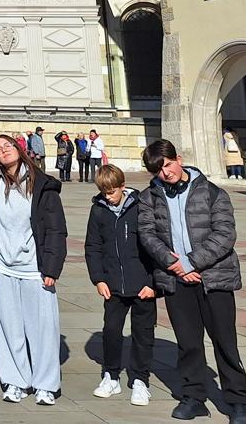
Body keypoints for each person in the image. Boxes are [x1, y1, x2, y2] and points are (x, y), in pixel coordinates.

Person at [139, 140, 246, 424]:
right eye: (157, 170)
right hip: (176, 280)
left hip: (213, 278)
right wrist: (174, 265)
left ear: (178, 159)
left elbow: (225, 234)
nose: (165, 173)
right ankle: (193, 397)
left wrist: (190, 263)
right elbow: (147, 234)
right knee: (188, 343)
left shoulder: (213, 193)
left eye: (168, 165)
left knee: (225, 342)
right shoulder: (149, 197)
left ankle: (238, 401)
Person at [0, 133, 66, 406]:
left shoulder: (42, 184)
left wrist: (51, 268)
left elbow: (56, 229)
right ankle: (15, 381)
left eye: (8, 146)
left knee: (42, 330)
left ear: (19, 149)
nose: (3, 150)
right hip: (1, 266)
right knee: (8, 328)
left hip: (33, 269)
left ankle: (45, 385)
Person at [85, 162, 155, 406]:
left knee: (142, 333)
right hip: (113, 284)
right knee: (112, 331)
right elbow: (93, 246)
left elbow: (154, 245)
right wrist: (98, 278)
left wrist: (152, 282)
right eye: (104, 192)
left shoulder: (141, 206)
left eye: (112, 192)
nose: (108, 197)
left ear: (122, 186)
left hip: (142, 284)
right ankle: (111, 375)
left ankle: (140, 380)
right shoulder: (98, 210)